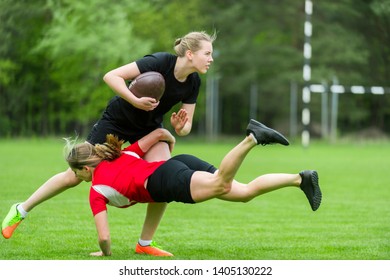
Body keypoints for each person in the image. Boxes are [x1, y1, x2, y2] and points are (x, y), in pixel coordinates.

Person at [2, 31, 216, 256]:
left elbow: (186, 126)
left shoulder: (193, 82)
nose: (211, 59)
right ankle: (21, 209)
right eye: (207, 53)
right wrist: (134, 100)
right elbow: (111, 76)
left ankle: (144, 244)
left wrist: (181, 127)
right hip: (117, 121)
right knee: (73, 177)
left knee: (163, 178)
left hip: (149, 126)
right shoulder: (160, 62)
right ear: (190, 54)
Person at [64, 119, 322, 257]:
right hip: (175, 166)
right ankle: (300, 179)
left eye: (76, 173)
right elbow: (158, 135)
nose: (76, 178)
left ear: (86, 169)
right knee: (242, 193)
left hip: (168, 179)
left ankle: (252, 137)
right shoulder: (122, 154)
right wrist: (172, 142)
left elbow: (105, 237)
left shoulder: (96, 189)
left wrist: (105, 253)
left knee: (221, 182)